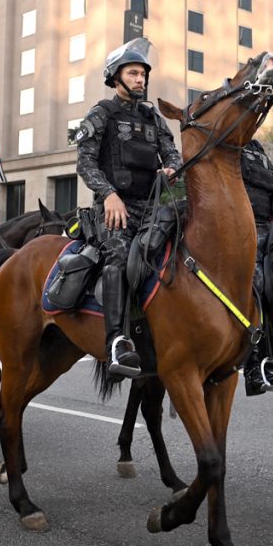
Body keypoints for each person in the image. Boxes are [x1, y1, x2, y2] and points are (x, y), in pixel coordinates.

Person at [76, 38, 181, 381]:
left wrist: (171, 169)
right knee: (119, 258)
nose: (140, 79)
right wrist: (108, 194)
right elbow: (85, 163)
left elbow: (173, 154)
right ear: (115, 77)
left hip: (151, 207)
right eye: (133, 73)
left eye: (143, 74)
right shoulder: (102, 113)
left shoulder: (153, 116)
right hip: (114, 210)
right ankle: (116, 342)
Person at [240, 137, 273, 395]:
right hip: (237, 230)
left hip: (267, 227)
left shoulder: (256, 148)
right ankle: (255, 364)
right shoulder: (222, 144)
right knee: (259, 281)